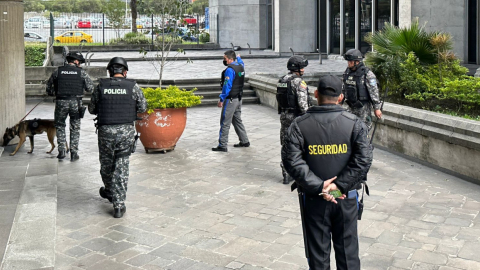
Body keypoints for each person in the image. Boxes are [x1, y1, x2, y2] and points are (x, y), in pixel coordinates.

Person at [282, 75, 373, 270]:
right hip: (345, 197)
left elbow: (292, 160)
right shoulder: (354, 123)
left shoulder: (299, 124)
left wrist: (320, 186)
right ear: (341, 97)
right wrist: (338, 186)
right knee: (348, 255)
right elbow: (363, 159)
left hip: (315, 197)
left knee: (318, 256)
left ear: (316, 94)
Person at [88, 57, 147, 218]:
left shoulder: (101, 86)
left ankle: (109, 191)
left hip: (105, 132)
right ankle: (119, 205)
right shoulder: (133, 87)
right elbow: (143, 107)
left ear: (110, 71)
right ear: (125, 72)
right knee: (121, 166)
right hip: (125, 132)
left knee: (106, 164)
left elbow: (92, 109)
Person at [46, 51, 94, 161]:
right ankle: (73, 153)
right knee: (75, 127)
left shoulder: (58, 71)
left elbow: (49, 88)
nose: (80, 64)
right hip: (76, 103)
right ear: (76, 61)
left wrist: (56, 92)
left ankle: (62, 151)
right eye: (80, 62)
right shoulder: (81, 73)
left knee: (60, 125)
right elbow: (90, 88)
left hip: (61, 102)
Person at [277, 55, 311, 184]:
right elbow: (303, 104)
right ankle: (299, 171)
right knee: (299, 144)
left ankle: (286, 171)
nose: (303, 69)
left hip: (284, 116)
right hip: (297, 118)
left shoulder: (282, 80)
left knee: (286, 143)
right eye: (302, 67)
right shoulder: (298, 82)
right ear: (297, 68)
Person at [212, 50, 250, 152]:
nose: (224, 60)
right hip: (238, 98)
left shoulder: (230, 70)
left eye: (225, 58)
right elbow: (241, 62)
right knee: (237, 120)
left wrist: (221, 99)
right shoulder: (240, 66)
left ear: (230, 59)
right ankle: (244, 141)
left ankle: (222, 145)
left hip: (230, 100)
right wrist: (239, 57)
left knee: (225, 122)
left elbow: (227, 86)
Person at [342, 49, 382, 131]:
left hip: (363, 108)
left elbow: (374, 92)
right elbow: (343, 88)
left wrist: (377, 108)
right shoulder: (347, 72)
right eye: (348, 61)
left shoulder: (367, 74)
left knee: (363, 130)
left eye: (351, 61)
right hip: (350, 106)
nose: (348, 63)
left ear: (357, 62)